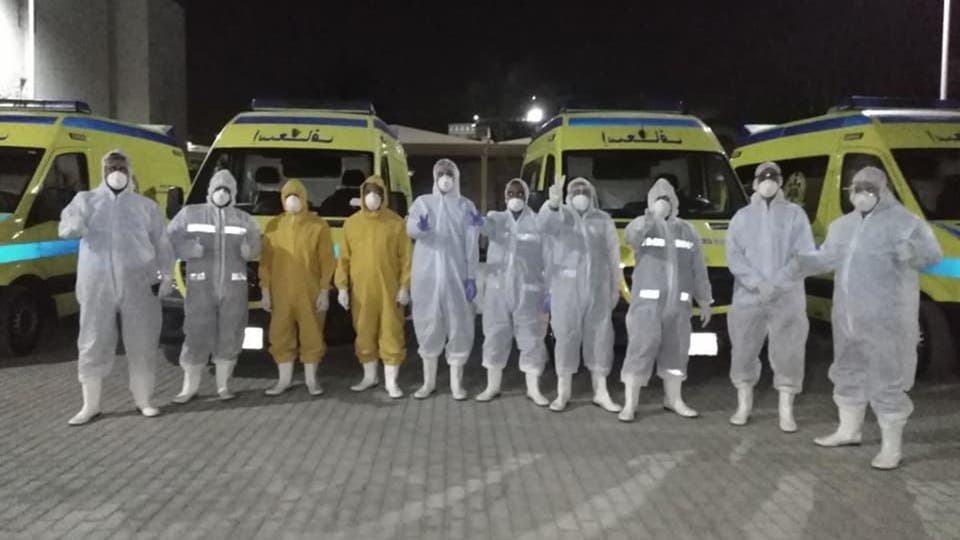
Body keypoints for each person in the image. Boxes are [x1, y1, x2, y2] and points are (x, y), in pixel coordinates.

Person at [789, 166, 942, 470]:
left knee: (887, 379)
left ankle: (891, 447)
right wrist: (797, 262)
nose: (862, 194)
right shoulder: (842, 226)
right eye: (857, 188)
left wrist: (910, 252)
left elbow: (933, 257)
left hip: (886, 320)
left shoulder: (905, 223)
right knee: (848, 371)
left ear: (882, 190)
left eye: (869, 188)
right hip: (847, 319)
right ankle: (848, 431)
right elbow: (826, 258)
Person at [59, 149, 174, 425]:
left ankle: (144, 400)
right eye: (111, 168)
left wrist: (167, 275)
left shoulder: (145, 206)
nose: (117, 173)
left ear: (129, 170)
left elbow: (162, 242)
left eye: (121, 167)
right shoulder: (86, 200)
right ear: (103, 171)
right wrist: (75, 224)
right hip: (97, 284)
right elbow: (65, 228)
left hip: (139, 283)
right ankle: (90, 405)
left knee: (142, 341)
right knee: (92, 340)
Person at [726, 162, 815, 431]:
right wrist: (755, 282)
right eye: (763, 178)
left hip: (786, 296)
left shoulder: (795, 215)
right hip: (748, 297)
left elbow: (804, 255)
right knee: (743, 350)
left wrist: (777, 282)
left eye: (773, 177)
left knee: (789, 353)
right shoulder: (741, 217)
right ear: (754, 183)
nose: (768, 182)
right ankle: (743, 406)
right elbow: (734, 256)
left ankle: (786, 412)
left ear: (780, 182)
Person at [619, 178, 712, 422]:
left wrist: (704, 300)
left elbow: (698, 268)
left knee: (677, 352)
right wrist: (651, 217)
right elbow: (631, 236)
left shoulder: (688, 231)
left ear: (675, 202)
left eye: (668, 199)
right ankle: (629, 404)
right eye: (659, 199)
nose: (664, 203)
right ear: (651, 202)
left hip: (678, 307)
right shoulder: (643, 225)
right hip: (647, 307)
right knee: (640, 349)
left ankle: (674, 399)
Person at [167, 169, 261, 402]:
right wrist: (189, 249)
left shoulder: (243, 219)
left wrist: (250, 251)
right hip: (201, 287)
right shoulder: (191, 214)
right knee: (196, 333)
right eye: (218, 189)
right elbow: (170, 238)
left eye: (226, 190)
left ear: (233, 193)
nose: (222, 193)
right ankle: (189, 388)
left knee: (230, 334)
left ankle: (223, 387)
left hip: (233, 288)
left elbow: (257, 243)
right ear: (210, 190)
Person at [538, 176, 622, 413]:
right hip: (565, 291)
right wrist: (552, 204)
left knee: (600, 338)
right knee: (565, 338)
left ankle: (601, 391)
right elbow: (543, 226)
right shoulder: (561, 215)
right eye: (576, 191)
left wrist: (614, 287)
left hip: (597, 289)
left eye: (585, 190)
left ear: (592, 194)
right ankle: (563, 393)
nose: (581, 194)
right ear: (568, 195)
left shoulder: (602, 219)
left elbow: (613, 255)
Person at [406, 158, 481, 400]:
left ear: (456, 178)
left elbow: (471, 244)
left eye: (449, 174)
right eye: (441, 174)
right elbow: (410, 229)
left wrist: (471, 277)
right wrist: (421, 227)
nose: (445, 178)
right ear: (435, 177)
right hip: (427, 278)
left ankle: (456, 385)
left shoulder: (466, 206)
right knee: (427, 325)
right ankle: (428, 383)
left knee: (459, 326)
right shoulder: (423, 203)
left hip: (456, 278)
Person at [335, 175, 413, 398]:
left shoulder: (396, 223)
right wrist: (342, 287)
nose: (372, 198)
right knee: (364, 332)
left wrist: (405, 286)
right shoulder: (351, 224)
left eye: (377, 193)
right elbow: (342, 258)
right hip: (362, 292)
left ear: (384, 196)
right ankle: (369, 377)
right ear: (362, 195)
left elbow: (407, 258)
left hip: (390, 291)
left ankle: (391, 382)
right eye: (368, 193)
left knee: (391, 332)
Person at [476, 178, 550, 405]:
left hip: (529, 293)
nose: (515, 198)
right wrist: (476, 220)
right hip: (498, 293)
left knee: (532, 338)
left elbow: (548, 257)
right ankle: (492, 387)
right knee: (495, 335)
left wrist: (549, 291)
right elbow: (485, 227)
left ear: (526, 197)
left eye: (519, 193)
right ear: (505, 196)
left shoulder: (538, 223)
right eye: (511, 193)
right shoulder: (496, 218)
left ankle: (533, 389)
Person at [259, 179, 335, 396]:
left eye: (297, 196)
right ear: (282, 200)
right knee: (280, 335)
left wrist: (324, 291)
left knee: (312, 335)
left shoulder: (318, 226)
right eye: (288, 197)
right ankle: (284, 381)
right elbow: (265, 263)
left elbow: (327, 261)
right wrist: (265, 291)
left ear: (304, 198)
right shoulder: (273, 226)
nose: (292, 201)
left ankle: (312, 381)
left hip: (310, 292)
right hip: (280, 294)